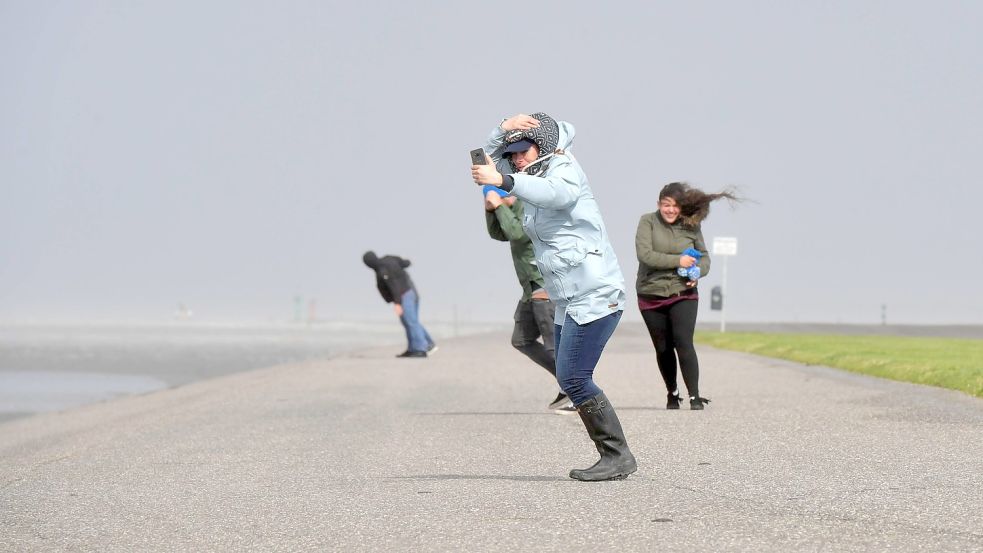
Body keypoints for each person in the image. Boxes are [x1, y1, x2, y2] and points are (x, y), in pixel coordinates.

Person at [472, 112, 636, 482]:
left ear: (542, 146)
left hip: (594, 292)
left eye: (521, 151)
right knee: (569, 375)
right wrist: (502, 128)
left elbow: (558, 196)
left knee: (575, 377)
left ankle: (617, 456)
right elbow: (491, 158)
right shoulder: (532, 172)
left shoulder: (562, 168)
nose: (515, 159)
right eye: (511, 154)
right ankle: (615, 455)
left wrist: (505, 180)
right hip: (567, 296)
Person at [634, 182, 738, 409]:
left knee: (683, 342)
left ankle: (694, 396)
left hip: (684, 292)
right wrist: (677, 261)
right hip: (650, 293)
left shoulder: (691, 225)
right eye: (666, 204)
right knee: (663, 347)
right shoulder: (647, 222)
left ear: (682, 207)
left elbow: (704, 257)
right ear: (658, 204)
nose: (670, 210)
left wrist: (698, 272)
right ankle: (672, 393)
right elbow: (645, 255)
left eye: (675, 205)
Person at [482, 185, 574, 414]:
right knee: (521, 339)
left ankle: (576, 393)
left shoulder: (531, 208)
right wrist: (491, 211)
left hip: (545, 286)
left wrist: (500, 205)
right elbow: (499, 234)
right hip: (529, 289)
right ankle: (569, 384)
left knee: (554, 346)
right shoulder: (510, 208)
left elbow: (517, 233)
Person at [362, 251, 436, 358]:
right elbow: (405, 263)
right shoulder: (390, 259)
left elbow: (394, 286)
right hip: (408, 292)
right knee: (410, 322)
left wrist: (397, 303)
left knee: (411, 322)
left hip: (404, 295)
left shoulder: (383, 269)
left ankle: (421, 348)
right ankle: (415, 348)